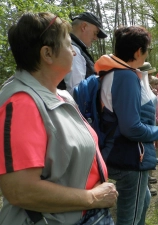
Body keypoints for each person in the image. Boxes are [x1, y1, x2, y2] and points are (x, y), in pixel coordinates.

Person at [0, 12, 117, 224]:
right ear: (47, 54)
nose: (73, 52)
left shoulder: (59, 94)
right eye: (67, 44)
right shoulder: (22, 104)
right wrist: (92, 198)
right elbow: (21, 190)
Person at [94, 26, 158, 225]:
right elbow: (131, 127)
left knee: (145, 199)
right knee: (129, 218)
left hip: (119, 152)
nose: (147, 54)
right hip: (130, 158)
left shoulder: (111, 72)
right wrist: (157, 131)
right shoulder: (126, 77)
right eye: (146, 49)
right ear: (138, 52)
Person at [58, 12, 107, 94]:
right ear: (84, 27)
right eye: (95, 33)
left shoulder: (72, 47)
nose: (95, 38)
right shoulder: (74, 50)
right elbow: (76, 92)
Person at [139, 62, 158, 196]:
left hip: (152, 126)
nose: (150, 76)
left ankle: (148, 178)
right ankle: (146, 184)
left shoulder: (147, 88)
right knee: (145, 155)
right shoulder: (139, 88)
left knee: (150, 153)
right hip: (145, 129)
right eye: (148, 74)